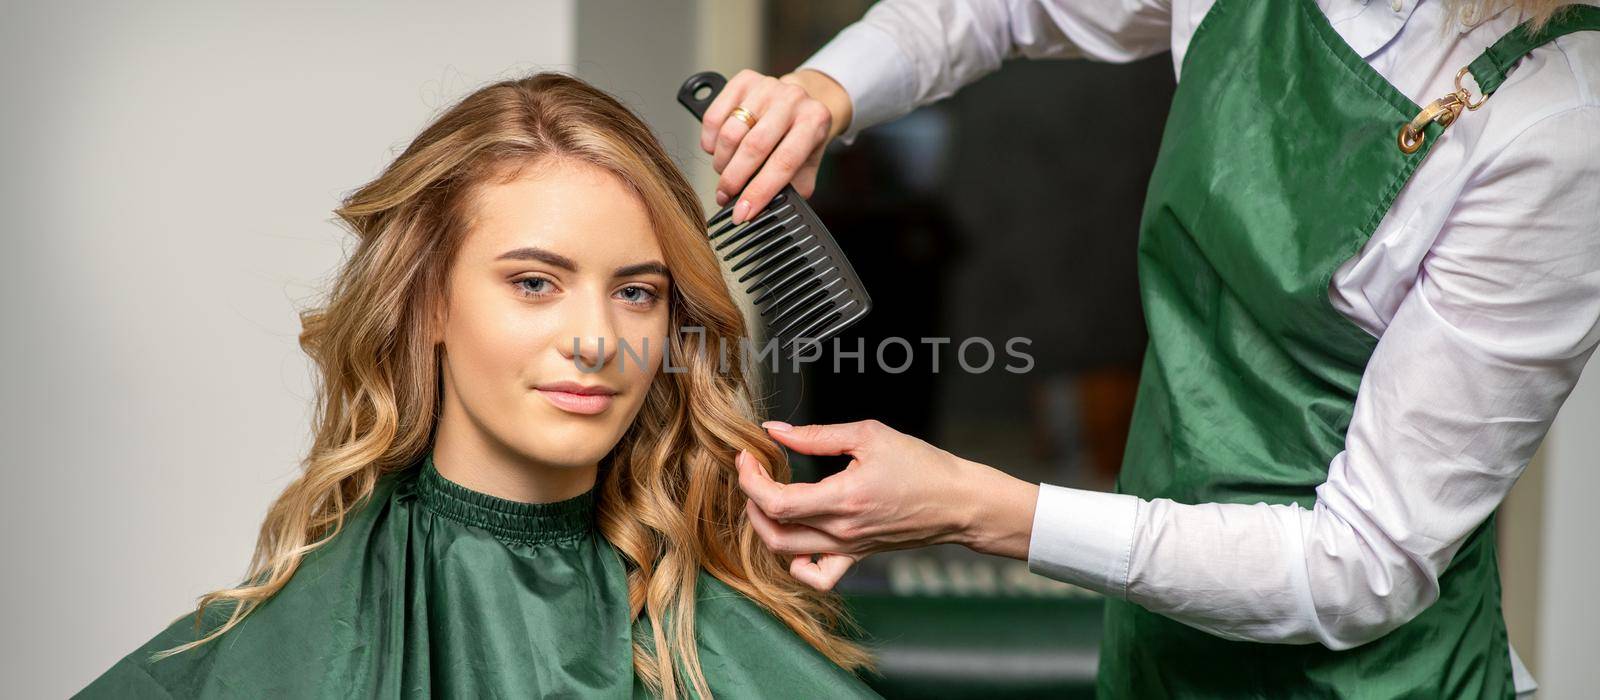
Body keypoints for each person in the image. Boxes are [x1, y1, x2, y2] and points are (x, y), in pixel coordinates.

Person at [709, 1, 1600, 697]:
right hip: (1155, 649)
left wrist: (980, 508)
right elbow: (1006, 7)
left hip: (1369, 683)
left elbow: (1358, 566)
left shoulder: (1557, 123)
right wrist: (826, 90)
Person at [76, 73, 880, 699]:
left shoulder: (709, 634)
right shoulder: (294, 635)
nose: (597, 341)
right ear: (428, 303)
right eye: (535, 283)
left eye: (637, 292)